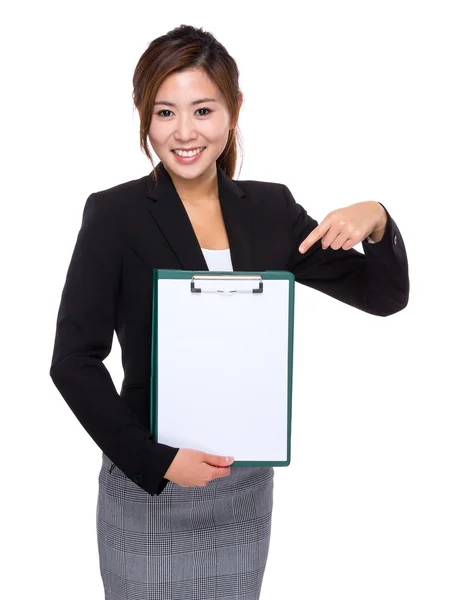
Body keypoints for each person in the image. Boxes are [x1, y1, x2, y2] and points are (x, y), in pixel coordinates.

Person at [49, 24, 410, 600]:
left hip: (242, 490)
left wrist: (378, 219)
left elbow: (383, 296)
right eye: (165, 113)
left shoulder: (271, 210)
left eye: (203, 110)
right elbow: (73, 361)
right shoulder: (115, 215)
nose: (185, 132)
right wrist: (159, 461)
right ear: (144, 115)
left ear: (234, 110)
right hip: (148, 483)